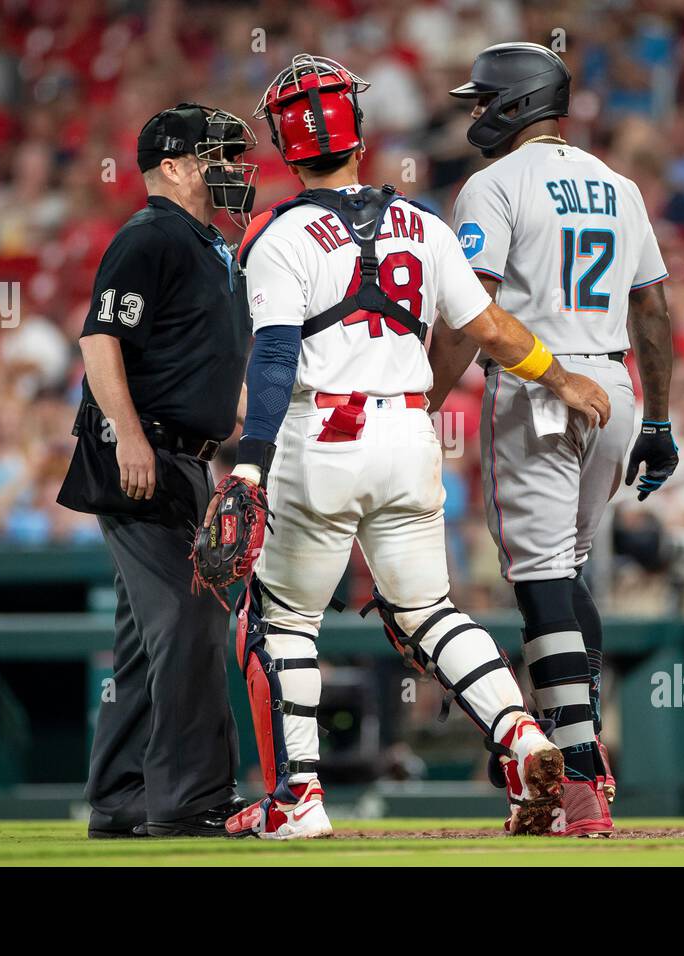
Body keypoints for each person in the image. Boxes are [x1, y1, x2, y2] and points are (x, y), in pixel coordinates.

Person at [221, 54, 610, 840]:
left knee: (278, 622)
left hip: (318, 437)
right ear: (357, 133)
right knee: (427, 611)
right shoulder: (423, 222)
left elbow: (271, 358)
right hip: (409, 433)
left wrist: (248, 463)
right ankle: (522, 735)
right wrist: (558, 376)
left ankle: (297, 800)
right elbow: (489, 329)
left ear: (286, 147)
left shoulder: (277, 232)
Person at [431, 42, 677, 835]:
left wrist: (419, 401)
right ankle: (581, 749)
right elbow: (655, 311)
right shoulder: (619, 185)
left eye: (482, 100)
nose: (474, 114)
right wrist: (662, 419)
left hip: (539, 381)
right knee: (566, 579)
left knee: (539, 581)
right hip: (614, 385)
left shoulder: (493, 184)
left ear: (515, 103)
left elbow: (476, 316)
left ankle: (580, 779)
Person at [56, 103, 257, 838]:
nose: (233, 170)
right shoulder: (152, 235)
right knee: (191, 620)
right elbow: (100, 338)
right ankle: (193, 799)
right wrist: (129, 435)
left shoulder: (204, 242)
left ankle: (121, 797)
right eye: (217, 156)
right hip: (144, 458)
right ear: (173, 166)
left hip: (180, 457)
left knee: (146, 640)